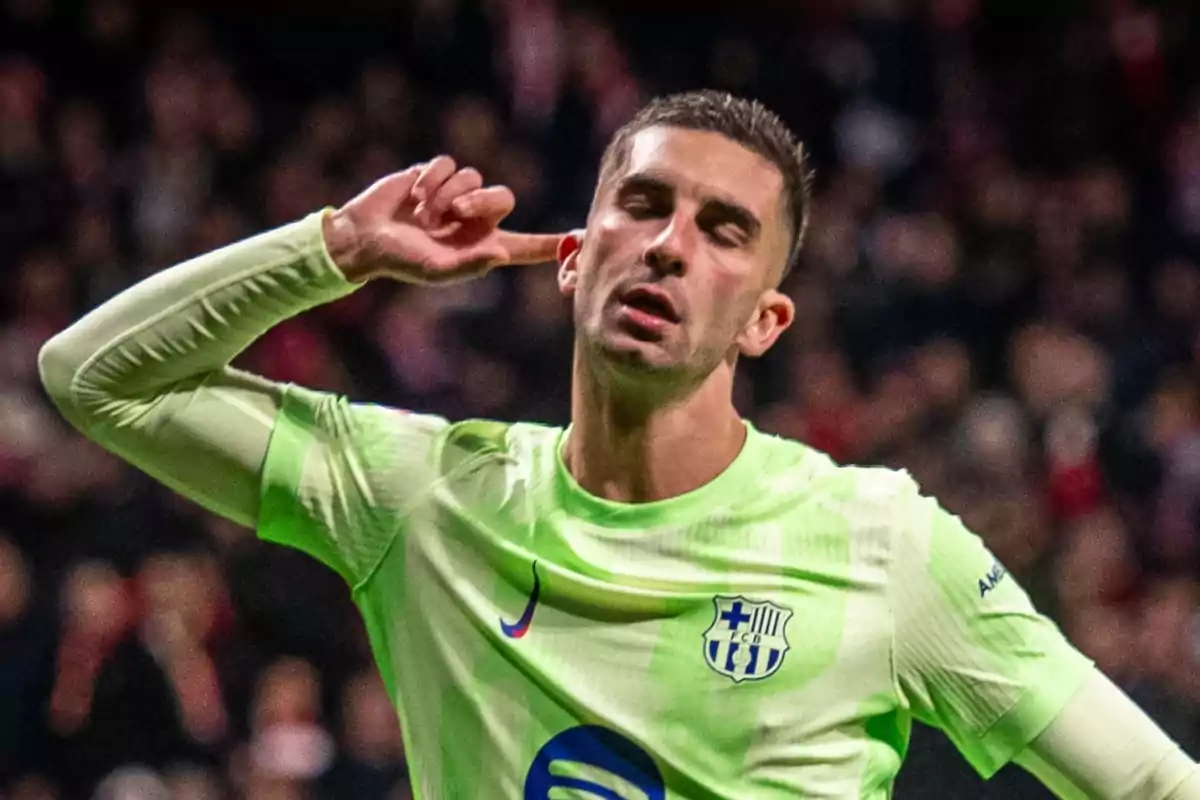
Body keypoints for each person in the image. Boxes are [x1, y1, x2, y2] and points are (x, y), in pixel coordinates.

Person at [39, 89, 1200, 799]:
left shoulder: (885, 544)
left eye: (724, 229)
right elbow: (93, 379)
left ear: (765, 319)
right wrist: (335, 247)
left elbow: (1153, 780)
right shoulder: (423, 496)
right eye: (643, 206)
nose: (668, 245)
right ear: (572, 255)